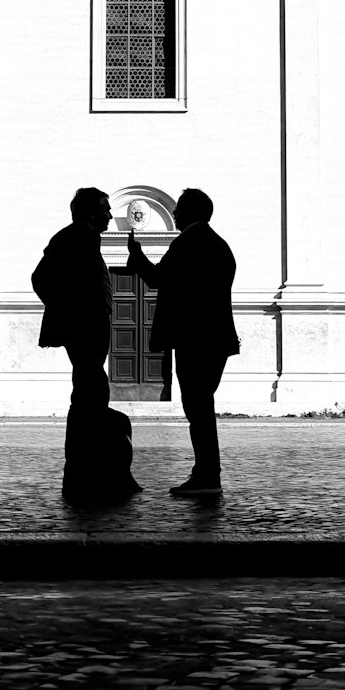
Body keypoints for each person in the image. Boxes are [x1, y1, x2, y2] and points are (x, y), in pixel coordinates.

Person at [32, 187, 141, 503]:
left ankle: (91, 473)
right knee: (90, 395)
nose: (110, 214)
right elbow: (42, 278)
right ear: (91, 211)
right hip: (84, 328)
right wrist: (70, 311)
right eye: (105, 209)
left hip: (88, 327)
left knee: (91, 394)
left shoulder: (84, 237)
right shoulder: (75, 237)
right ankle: (86, 475)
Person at [128, 188, 238, 497]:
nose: (173, 214)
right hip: (215, 339)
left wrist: (136, 258)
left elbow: (157, 278)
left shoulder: (189, 241)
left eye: (178, 210)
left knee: (197, 408)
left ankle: (206, 475)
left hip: (195, 340)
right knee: (202, 406)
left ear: (190, 212)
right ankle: (206, 473)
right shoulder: (218, 244)